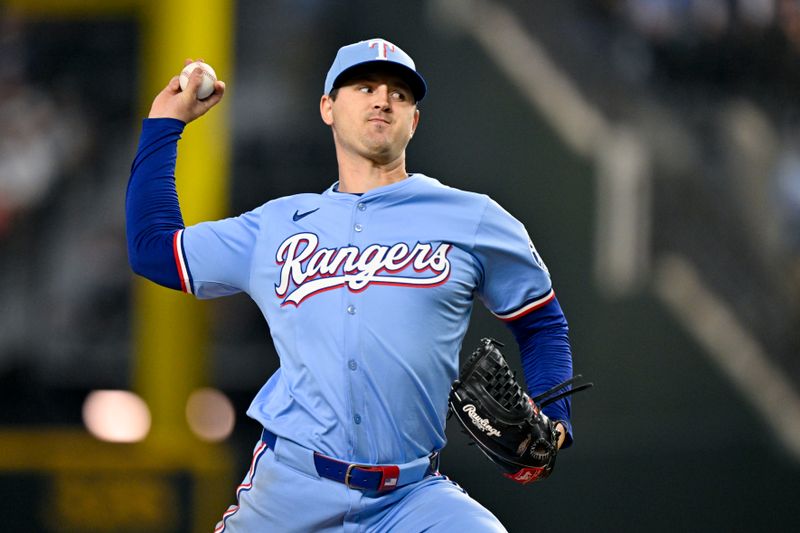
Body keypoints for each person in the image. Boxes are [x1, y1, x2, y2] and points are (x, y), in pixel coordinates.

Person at [127, 38, 576, 532]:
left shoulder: (473, 217)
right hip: (289, 490)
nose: (383, 99)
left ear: (414, 121)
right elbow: (154, 250)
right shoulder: (276, 226)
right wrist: (164, 124)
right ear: (328, 108)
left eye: (399, 94)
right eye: (364, 87)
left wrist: (556, 418)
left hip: (411, 497)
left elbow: (541, 322)